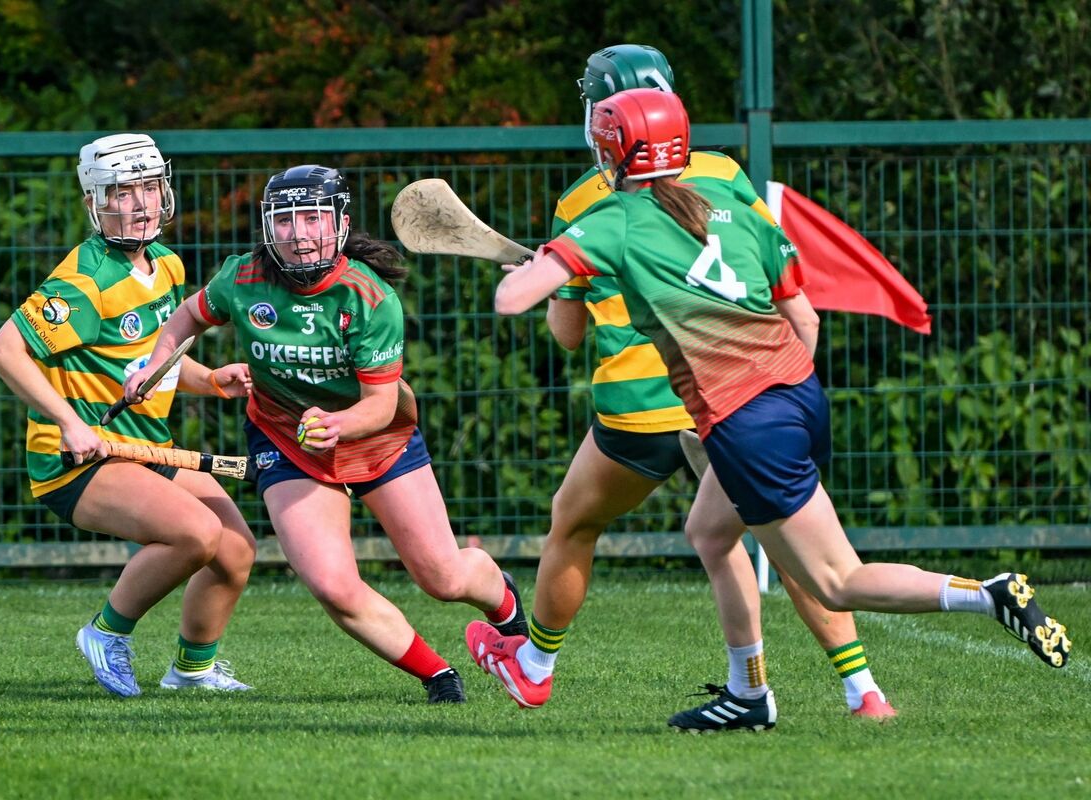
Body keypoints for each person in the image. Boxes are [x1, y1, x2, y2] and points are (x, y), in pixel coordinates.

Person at [466, 87, 1071, 730]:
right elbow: (803, 318)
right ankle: (748, 694)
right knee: (710, 532)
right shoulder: (728, 198)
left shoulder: (610, 219)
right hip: (800, 396)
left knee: (838, 579)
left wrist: (541, 266)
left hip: (747, 425)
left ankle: (987, 594)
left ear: (614, 152)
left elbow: (512, 301)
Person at [466, 44, 896, 723]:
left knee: (574, 522)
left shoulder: (582, 201)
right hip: (737, 386)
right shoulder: (723, 172)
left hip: (641, 403)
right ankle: (861, 690)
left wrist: (552, 285)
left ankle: (537, 665)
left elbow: (569, 334)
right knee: (783, 541)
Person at [125, 164, 527, 704]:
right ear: (268, 226)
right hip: (287, 441)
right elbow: (185, 321)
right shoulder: (242, 278)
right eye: (285, 220)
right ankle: (439, 677)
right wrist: (155, 366)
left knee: (444, 578)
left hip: (376, 437)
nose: (298, 233)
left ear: (339, 222)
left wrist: (338, 425)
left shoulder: (369, 297)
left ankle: (506, 608)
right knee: (333, 586)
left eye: (312, 217)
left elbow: (381, 404)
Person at [0, 133, 258, 698]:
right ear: (94, 202)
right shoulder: (84, 281)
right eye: (121, 192)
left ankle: (192, 670)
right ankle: (105, 633)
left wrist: (210, 380)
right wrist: (69, 423)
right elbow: (4, 351)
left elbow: (152, 358)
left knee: (234, 547)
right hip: (76, 462)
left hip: (144, 446)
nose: (139, 204)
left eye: (148, 188)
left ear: (166, 192)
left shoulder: (166, 265)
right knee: (195, 534)